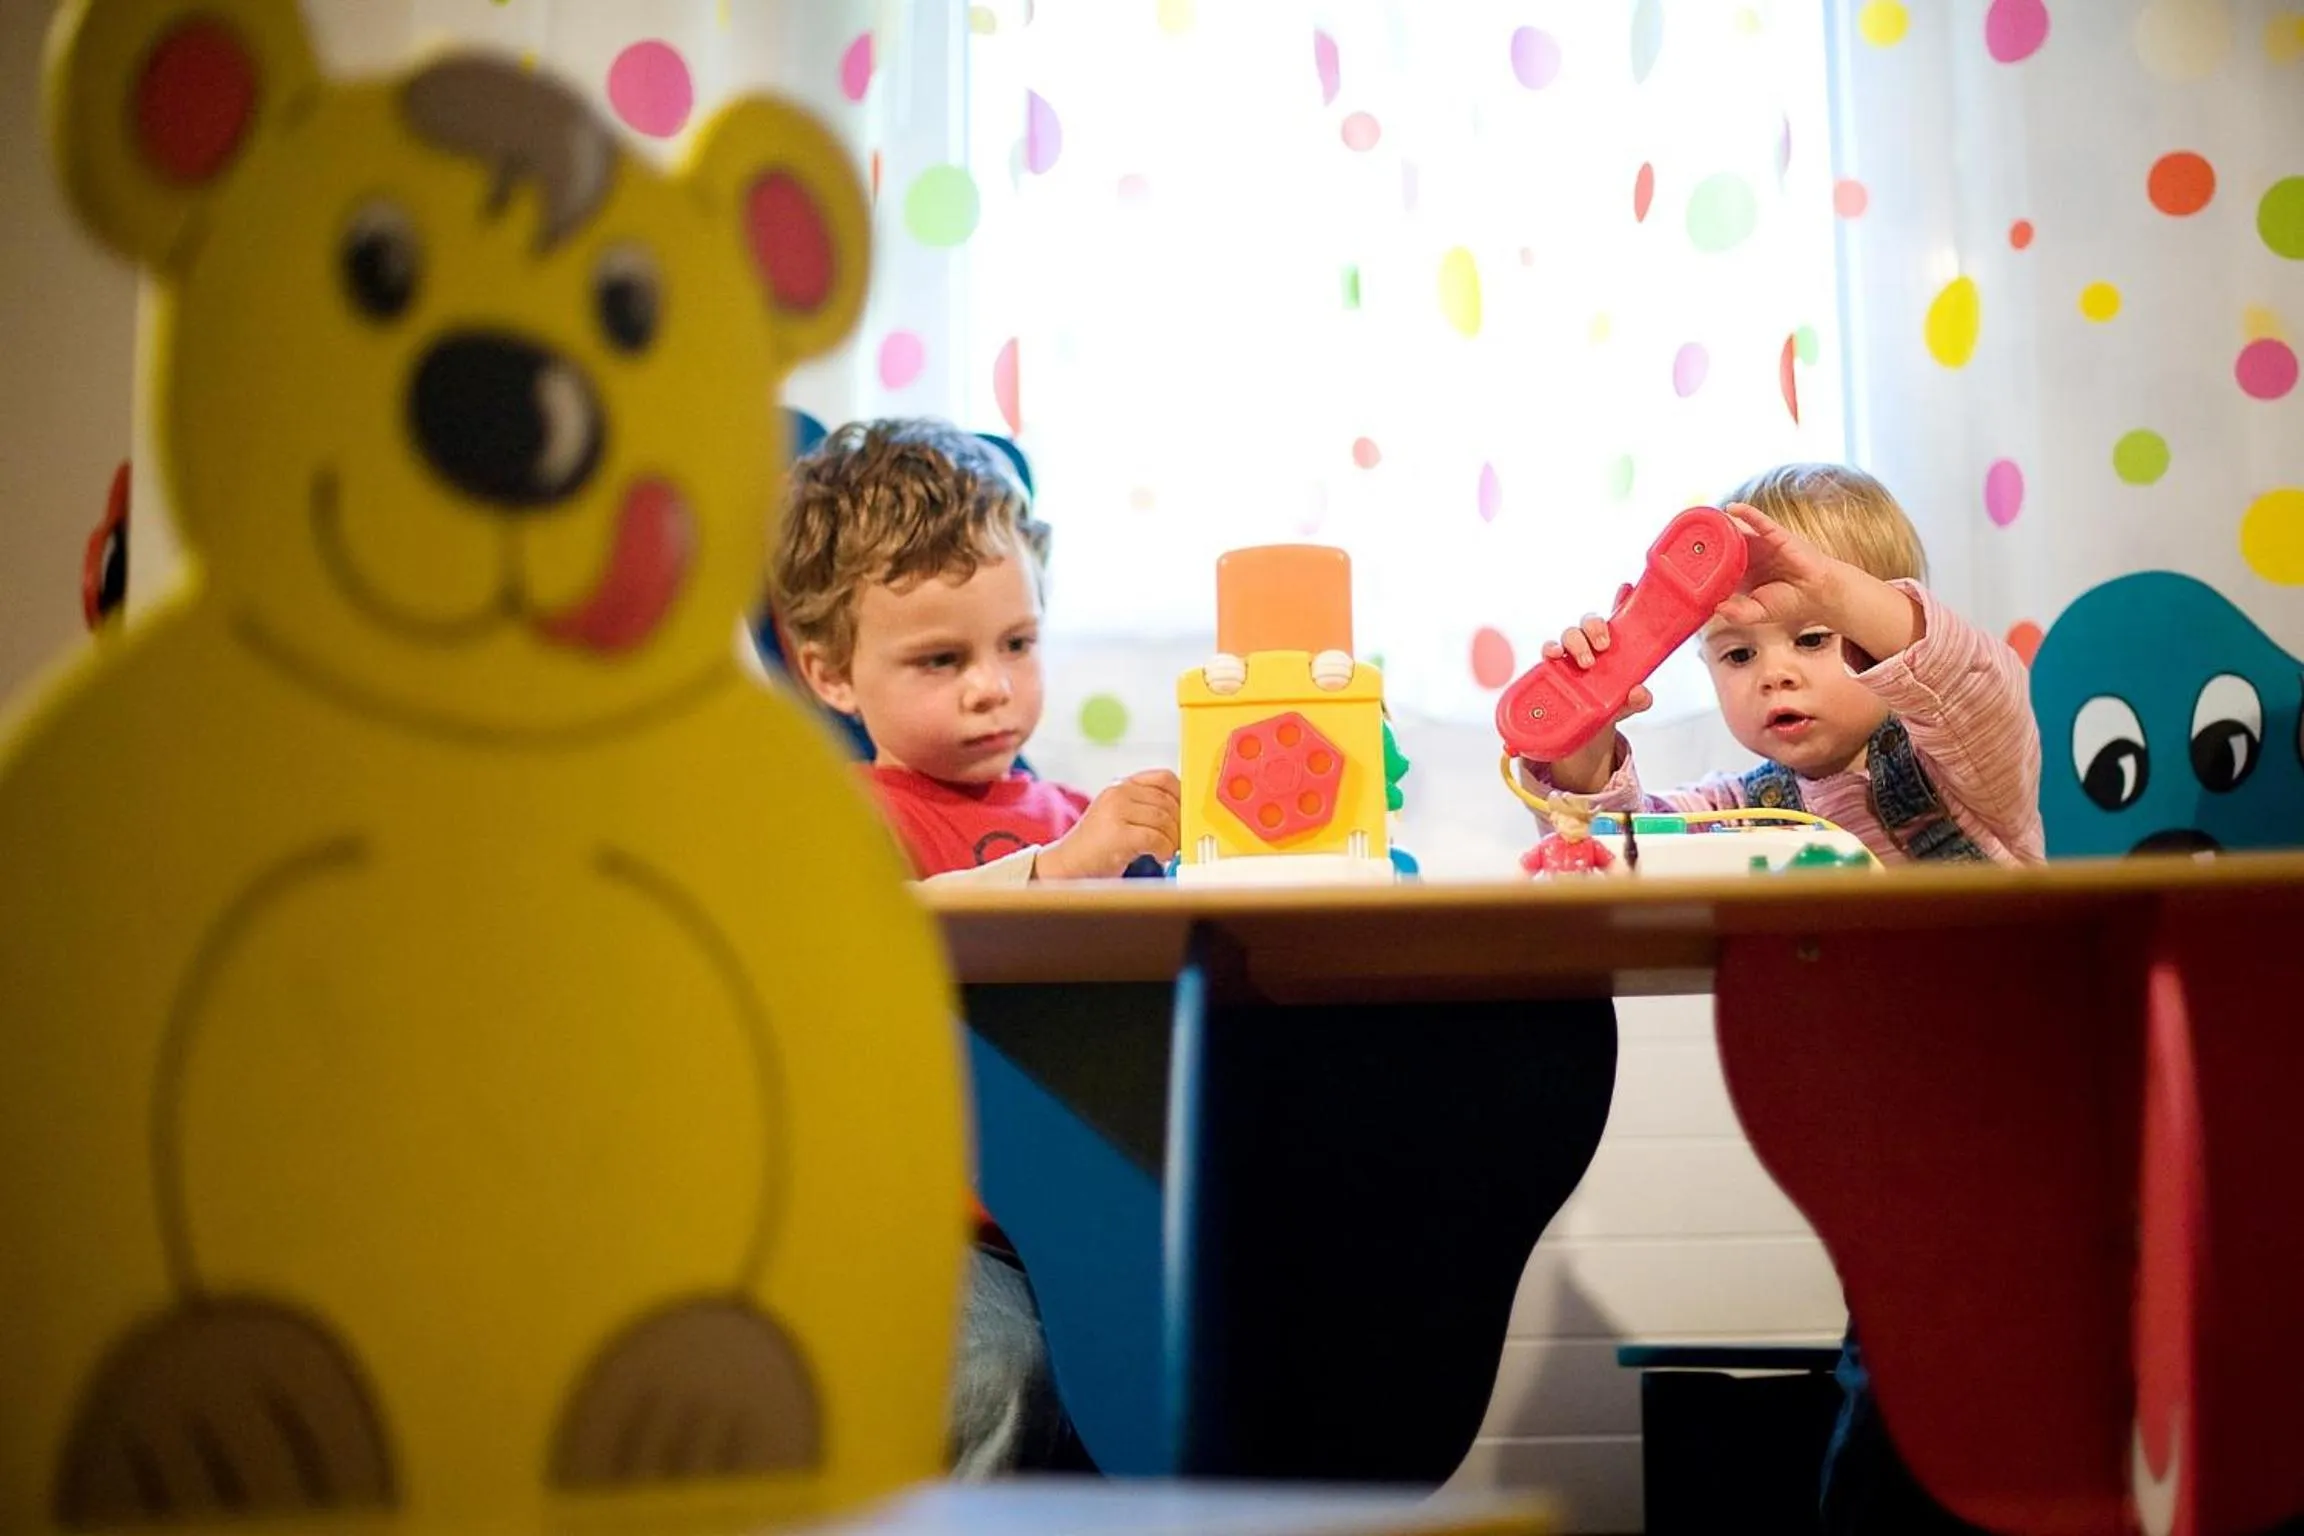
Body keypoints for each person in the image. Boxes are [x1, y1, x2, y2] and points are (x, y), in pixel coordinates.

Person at [1517, 462, 2042, 1534]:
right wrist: (1584, 732)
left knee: (1931, 1422)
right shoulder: (1752, 807)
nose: (1776, 677)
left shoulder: (1962, 766)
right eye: (1737, 653)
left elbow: (1975, 680)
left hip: (2030, 1149)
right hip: (1892, 1179)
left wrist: (1831, 585)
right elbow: (1618, 845)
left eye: (1813, 638)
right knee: (1898, 1393)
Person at [770, 417, 1182, 1477]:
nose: (992, 686)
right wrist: (1059, 873)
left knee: (1198, 1350)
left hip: (1090, 1211)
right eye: (940, 659)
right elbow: (879, 929)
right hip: (926, 1231)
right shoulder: (839, 822)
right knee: (999, 1370)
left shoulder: (1075, 818)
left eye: (1018, 645)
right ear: (830, 673)